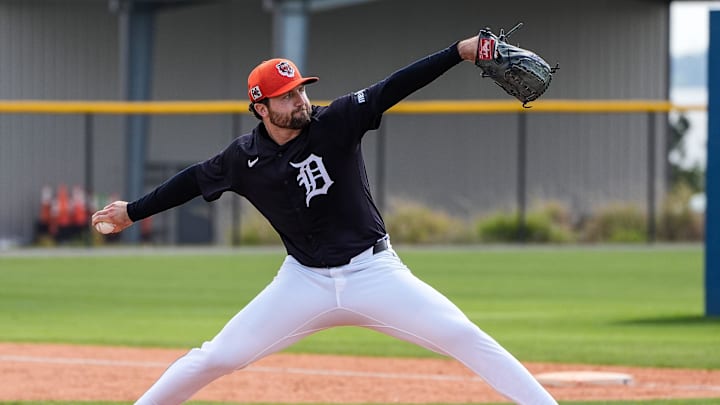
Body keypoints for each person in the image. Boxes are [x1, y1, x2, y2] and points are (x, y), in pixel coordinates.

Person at [92, 33, 558, 405]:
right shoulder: (242, 157)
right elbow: (192, 180)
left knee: (463, 335)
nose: (298, 100)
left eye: (298, 89)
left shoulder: (336, 121)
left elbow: (394, 86)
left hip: (374, 272)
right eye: (285, 96)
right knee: (216, 357)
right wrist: (132, 212)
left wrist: (458, 53)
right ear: (261, 108)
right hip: (303, 283)